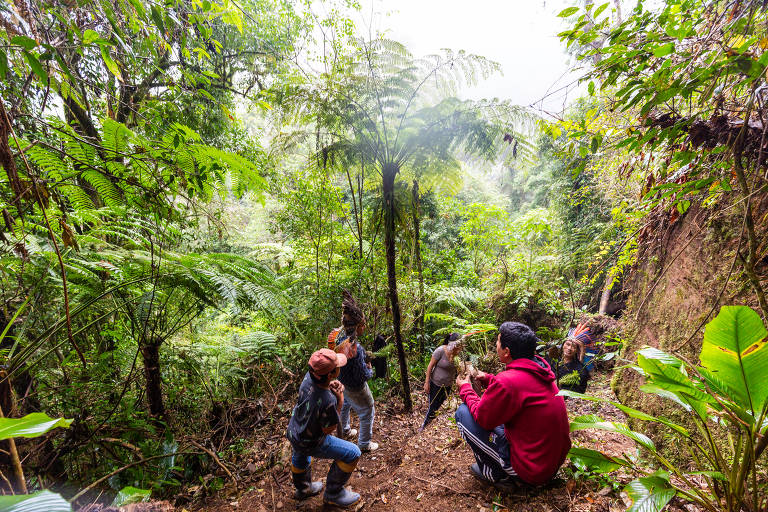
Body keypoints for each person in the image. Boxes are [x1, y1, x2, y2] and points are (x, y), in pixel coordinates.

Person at [455, 321, 571, 489]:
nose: (496, 345)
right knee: (498, 419)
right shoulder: (540, 371)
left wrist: (465, 388)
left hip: (530, 471)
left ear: (507, 352)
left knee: (463, 413)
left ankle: (496, 475)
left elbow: (483, 418)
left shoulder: (508, 381)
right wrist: (488, 378)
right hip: (547, 465)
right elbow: (521, 389)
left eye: (498, 342)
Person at [286, 348, 361, 507]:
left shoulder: (308, 377)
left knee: (300, 453)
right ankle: (333, 494)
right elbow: (329, 429)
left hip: (295, 431)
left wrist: (329, 384)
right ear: (330, 374)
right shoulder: (327, 400)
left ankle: (303, 489)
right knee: (353, 453)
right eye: (337, 367)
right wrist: (339, 400)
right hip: (312, 440)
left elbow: (316, 391)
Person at [327, 291, 379, 452]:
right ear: (358, 326)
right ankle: (363, 444)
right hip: (354, 384)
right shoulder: (355, 350)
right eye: (363, 324)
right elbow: (361, 376)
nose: (365, 327)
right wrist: (369, 370)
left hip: (341, 379)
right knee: (367, 410)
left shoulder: (337, 336)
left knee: (346, 404)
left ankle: (346, 431)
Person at [420, 332, 462, 432]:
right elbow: (430, 366)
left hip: (448, 385)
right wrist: (426, 382)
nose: (459, 347)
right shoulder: (440, 351)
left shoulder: (458, 355)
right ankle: (425, 426)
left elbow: (459, 370)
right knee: (433, 406)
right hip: (435, 384)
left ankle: (432, 427)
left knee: (440, 405)